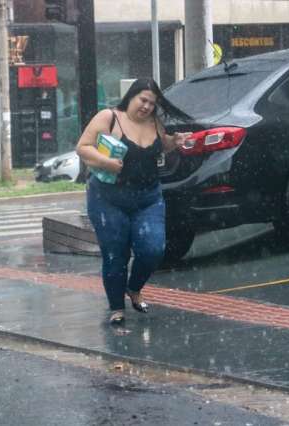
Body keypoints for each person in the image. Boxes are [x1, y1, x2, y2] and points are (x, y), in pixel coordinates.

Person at [76, 78, 192, 325]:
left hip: (148, 198)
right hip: (107, 198)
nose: (147, 107)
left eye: (152, 103)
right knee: (115, 253)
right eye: (143, 100)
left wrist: (175, 142)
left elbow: (162, 148)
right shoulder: (109, 117)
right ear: (131, 96)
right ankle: (116, 307)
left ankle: (134, 287)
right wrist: (106, 162)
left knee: (153, 249)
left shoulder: (155, 123)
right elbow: (83, 147)